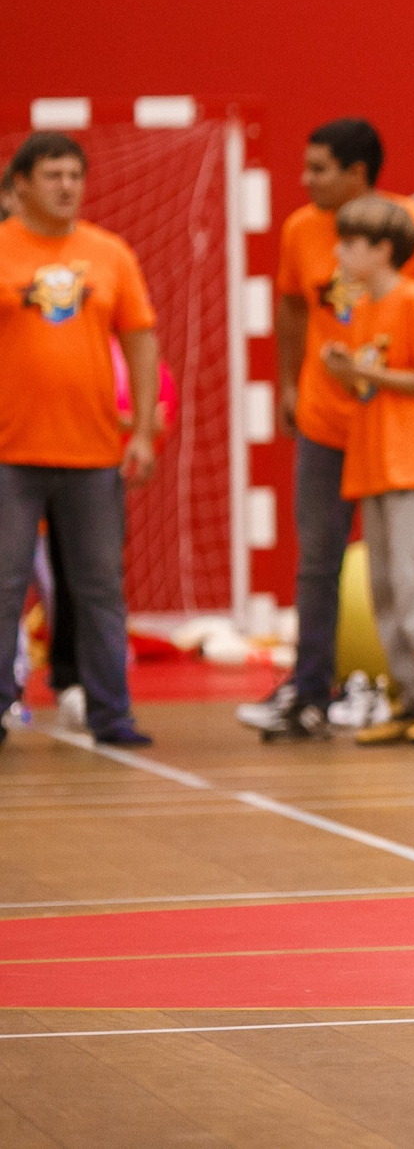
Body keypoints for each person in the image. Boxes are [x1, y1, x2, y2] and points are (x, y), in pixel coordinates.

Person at [258, 119, 414, 740]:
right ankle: (370, 694)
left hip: (410, 454)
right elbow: (298, 310)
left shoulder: (412, 282)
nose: (306, 181)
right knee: (374, 577)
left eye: (320, 168)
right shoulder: (340, 276)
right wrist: (304, 383)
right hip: (355, 445)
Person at [0, 132, 159, 748]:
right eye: (52, 176)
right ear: (20, 186)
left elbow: (142, 341)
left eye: (75, 175)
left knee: (98, 588)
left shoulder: (111, 253)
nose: (67, 186)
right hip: (10, 454)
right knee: (5, 584)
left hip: (93, 454)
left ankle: (111, 711)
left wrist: (141, 430)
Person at [323, 198, 414, 744]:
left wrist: (363, 371)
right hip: (374, 464)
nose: (339, 253)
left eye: (349, 244)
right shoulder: (363, 309)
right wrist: (346, 373)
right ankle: (409, 697)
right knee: (386, 589)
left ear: (382, 250)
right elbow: (373, 384)